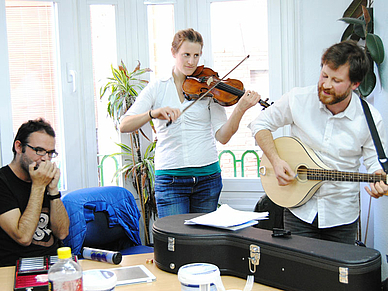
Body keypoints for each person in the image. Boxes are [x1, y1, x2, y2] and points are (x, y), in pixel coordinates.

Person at [249, 40, 388, 244]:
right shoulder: (298, 98)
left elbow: (376, 163)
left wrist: (379, 181)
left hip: (342, 216)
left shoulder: (370, 119)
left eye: (336, 80)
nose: (326, 85)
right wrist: (276, 160)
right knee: (299, 273)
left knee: (337, 275)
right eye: (324, 76)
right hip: (298, 210)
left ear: (355, 84)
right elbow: (259, 124)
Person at [120, 28, 261, 218]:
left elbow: (223, 136)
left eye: (196, 55)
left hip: (208, 179)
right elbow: (124, 124)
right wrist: (153, 113)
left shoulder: (210, 86)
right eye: (186, 54)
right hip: (170, 179)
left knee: (203, 244)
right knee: (175, 243)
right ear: (173, 53)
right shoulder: (158, 87)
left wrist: (240, 109)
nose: (191, 62)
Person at [0, 118, 69, 266]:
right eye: (39, 150)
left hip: (53, 264)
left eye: (50, 153)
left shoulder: (42, 178)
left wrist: (53, 189)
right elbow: (23, 237)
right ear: (19, 147)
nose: (45, 159)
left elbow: (62, 233)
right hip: (16, 266)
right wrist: (38, 186)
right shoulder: (3, 182)